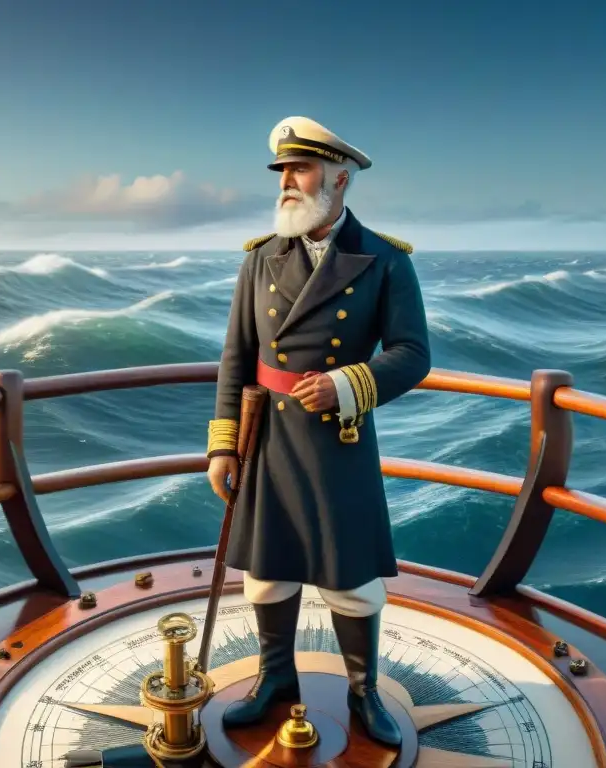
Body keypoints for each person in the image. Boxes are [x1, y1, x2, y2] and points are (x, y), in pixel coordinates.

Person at [205, 116, 431, 746]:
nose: (286, 183)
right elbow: (236, 359)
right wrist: (224, 445)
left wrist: (349, 384)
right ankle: (276, 679)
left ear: (339, 177)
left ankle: (363, 692)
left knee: (349, 579)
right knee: (268, 571)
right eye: (282, 172)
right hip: (268, 440)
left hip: (340, 439)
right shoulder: (258, 259)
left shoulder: (385, 260)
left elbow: (413, 353)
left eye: (299, 170)